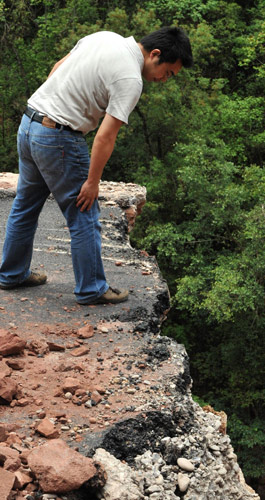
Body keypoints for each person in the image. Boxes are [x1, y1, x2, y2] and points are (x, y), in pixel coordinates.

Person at [0, 27, 193, 305]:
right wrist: (92, 182)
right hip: (59, 136)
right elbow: (106, 135)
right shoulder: (130, 78)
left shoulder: (105, 38)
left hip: (31, 122)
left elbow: (58, 67)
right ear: (155, 54)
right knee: (85, 213)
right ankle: (91, 288)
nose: (165, 79)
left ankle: (12, 274)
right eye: (169, 73)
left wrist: (52, 107)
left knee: (26, 203)